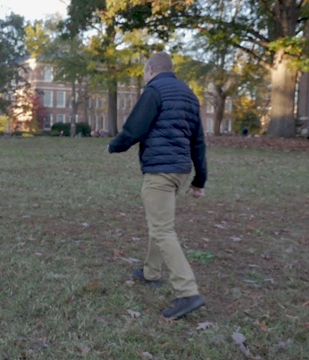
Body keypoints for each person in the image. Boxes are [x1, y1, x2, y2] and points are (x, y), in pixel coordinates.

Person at [107, 52, 207, 319]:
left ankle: (187, 293)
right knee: (159, 221)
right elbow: (198, 142)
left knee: (162, 229)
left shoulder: (154, 90)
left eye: (143, 74)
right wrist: (199, 180)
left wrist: (113, 146)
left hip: (160, 170)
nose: (144, 78)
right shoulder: (189, 95)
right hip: (180, 171)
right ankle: (151, 272)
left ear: (150, 70)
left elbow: (134, 129)